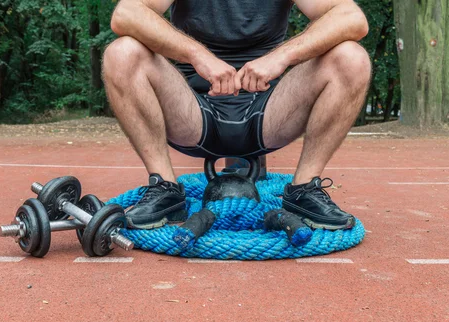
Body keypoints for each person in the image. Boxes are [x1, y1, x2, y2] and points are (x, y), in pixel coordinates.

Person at [104, 0, 371, 230]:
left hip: (269, 114)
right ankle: (164, 188)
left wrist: (281, 57)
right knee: (122, 52)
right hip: (192, 111)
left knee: (351, 57)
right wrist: (198, 55)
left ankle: (303, 189)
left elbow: (351, 18)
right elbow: (127, 14)